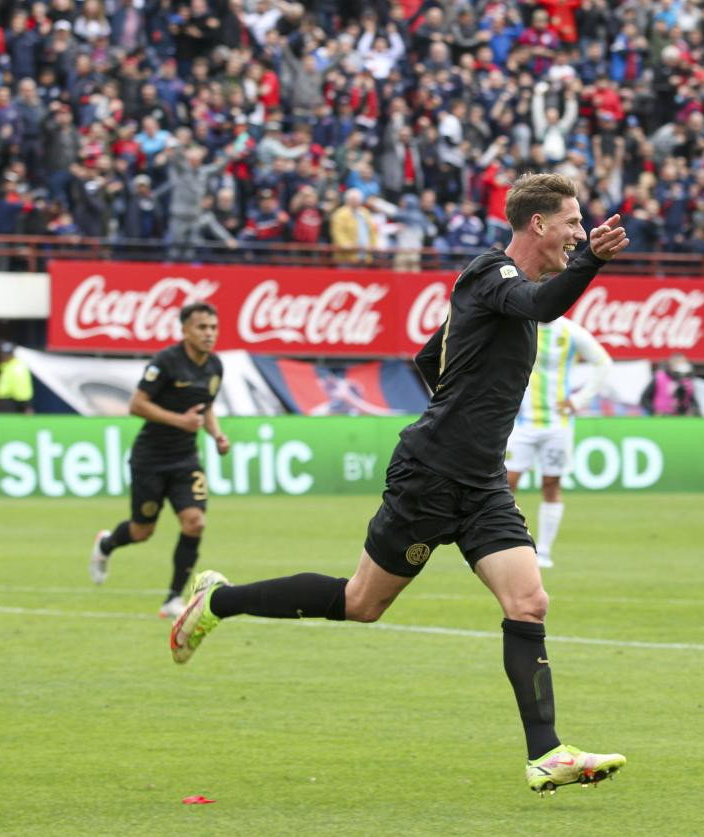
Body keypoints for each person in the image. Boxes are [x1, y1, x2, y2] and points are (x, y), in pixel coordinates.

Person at [168, 173, 631, 796]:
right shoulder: (490, 276)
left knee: (529, 603)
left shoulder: (508, 296)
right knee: (363, 603)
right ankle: (216, 601)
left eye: (584, 226)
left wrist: (463, 401)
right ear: (538, 224)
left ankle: (546, 753)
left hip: (482, 482)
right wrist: (595, 261)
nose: (581, 232)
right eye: (573, 222)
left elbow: (427, 356)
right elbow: (540, 308)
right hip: (432, 475)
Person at [89, 302, 230, 620]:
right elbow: (136, 405)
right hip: (150, 459)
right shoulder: (166, 362)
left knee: (195, 522)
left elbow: (206, 406)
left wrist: (217, 435)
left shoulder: (215, 366)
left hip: (185, 460)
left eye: (213, 328)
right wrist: (179, 421)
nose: (209, 334)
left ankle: (172, 599)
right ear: (184, 330)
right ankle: (107, 544)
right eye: (201, 328)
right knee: (141, 531)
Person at [506, 317, 612, 568]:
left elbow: (603, 363)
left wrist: (579, 400)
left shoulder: (570, 331)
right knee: (504, 484)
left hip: (558, 423)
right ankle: (499, 546)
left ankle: (543, 551)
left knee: (551, 483)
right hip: (521, 422)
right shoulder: (519, 323)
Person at [0, 342, 34, 414]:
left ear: (12, 354)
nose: (4, 356)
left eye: (7, 354)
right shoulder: (7, 366)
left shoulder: (17, 367)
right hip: (7, 402)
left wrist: (26, 405)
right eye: (3, 353)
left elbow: (22, 387)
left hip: (12, 403)